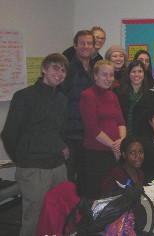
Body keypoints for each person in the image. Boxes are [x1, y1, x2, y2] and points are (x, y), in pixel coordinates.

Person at [1, 53, 69, 236]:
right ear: (44, 69)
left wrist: (62, 147)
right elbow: (9, 134)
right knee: (34, 219)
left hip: (57, 166)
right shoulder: (25, 96)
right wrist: (23, 159)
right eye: (55, 68)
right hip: (34, 168)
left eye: (63, 70)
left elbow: (58, 132)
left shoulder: (62, 99)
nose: (60, 73)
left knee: (58, 215)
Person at [79, 60, 126, 199]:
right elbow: (92, 128)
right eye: (104, 75)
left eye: (111, 75)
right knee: (96, 194)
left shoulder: (112, 95)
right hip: (96, 155)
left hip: (114, 153)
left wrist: (121, 141)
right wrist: (114, 146)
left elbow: (121, 122)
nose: (108, 78)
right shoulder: (88, 95)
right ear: (95, 76)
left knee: (112, 193)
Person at [60, 30, 95, 193]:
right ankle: (67, 217)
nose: (85, 46)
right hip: (71, 136)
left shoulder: (96, 69)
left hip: (91, 136)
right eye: (82, 43)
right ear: (75, 45)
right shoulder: (66, 70)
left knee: (87, 181)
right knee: (67, 182)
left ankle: (83, 217)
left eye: (89, 43)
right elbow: (58, 106)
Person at [115, 60, 154, 138]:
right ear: (128, 74)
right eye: (133, 71)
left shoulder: (152, 96)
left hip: (144, 140)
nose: (137, 74)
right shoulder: (119, 93)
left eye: (140, 71)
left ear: (144, 74)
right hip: (121, 138)